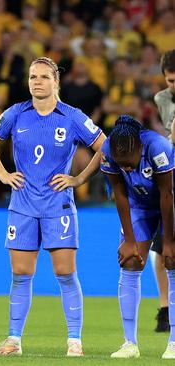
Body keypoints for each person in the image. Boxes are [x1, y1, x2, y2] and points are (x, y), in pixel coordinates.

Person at [0, 56, 106, 357]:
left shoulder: (72, 117)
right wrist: (3, 175)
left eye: (44, 77)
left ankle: (74, 341)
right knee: (20, 274)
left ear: (56, 81)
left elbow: (106, 146)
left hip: (57, 205)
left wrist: (78, 179)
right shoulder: (16, 114)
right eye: (33, 77)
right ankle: (13, 341)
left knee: (65, 273)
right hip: (22, 204)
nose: (37, 81)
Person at [101, 116, 175, 359]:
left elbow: (167, 194)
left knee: (172, 262)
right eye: (122, 165)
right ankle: (130, 343)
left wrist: (169, 242)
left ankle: (174, 343)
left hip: (170, 203)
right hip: (139, 206)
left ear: (140, 148)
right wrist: (130, 241)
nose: (127, 169)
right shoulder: (109, 150)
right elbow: (120, 194)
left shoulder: (158, 147)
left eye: (130, 164)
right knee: (130, 261)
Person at [151, 48, 175, 332]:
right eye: (170, 81)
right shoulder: (162, 100)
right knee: (162, 248)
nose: (174, 86)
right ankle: (165, 309)